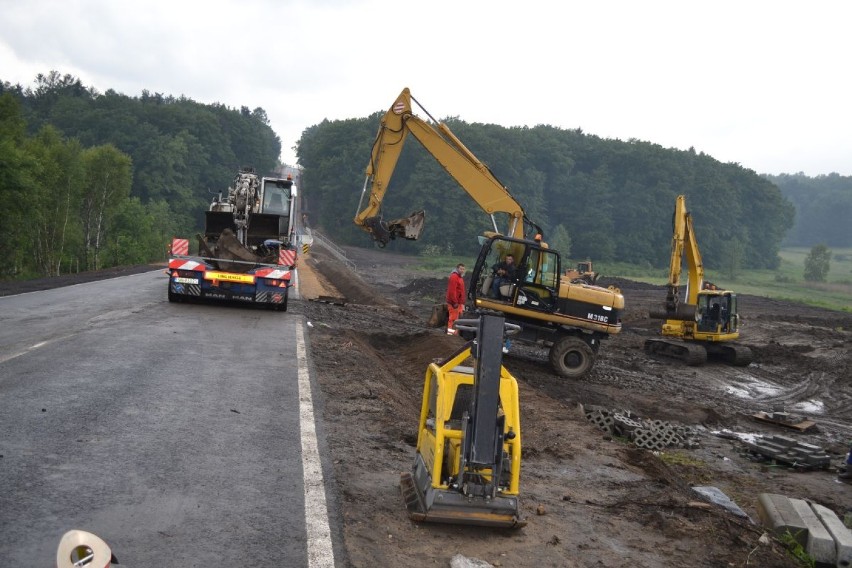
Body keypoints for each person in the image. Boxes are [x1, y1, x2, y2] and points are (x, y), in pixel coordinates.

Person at [445, 263, 466, 335]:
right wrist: (454, 302)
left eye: (463, 269)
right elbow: (452, 291)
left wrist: (462, 303)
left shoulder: (460, 277)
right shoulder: (454, 277)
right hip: (454, 303)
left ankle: (455, 334)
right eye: (461, 269)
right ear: (457, 269)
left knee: (458, 319)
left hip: (459, 303)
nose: (462, 270)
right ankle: (450, 335)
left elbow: (461, 290)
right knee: (453, 319)